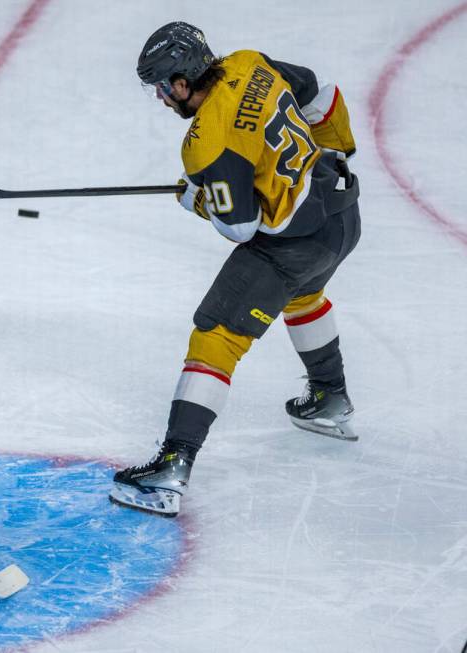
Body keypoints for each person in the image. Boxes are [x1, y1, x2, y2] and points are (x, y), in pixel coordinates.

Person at [109, 22, 361, 517]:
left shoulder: (206, 142)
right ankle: (331, 399)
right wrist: (339, 152)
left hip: (292, 243)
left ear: (182, 82)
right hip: (343, 216)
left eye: (162, 87)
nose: (161, 98)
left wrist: (198, 199)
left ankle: (171, 469)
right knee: (304, 296)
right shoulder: (250, 63)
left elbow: (241, 227)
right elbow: (323, 97)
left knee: (216, 335)